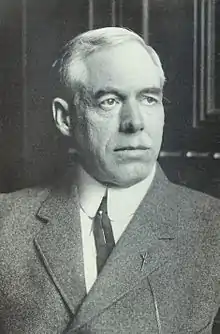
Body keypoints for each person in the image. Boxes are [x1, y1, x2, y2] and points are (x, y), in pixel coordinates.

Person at [0, 27, 219, 334]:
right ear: (66, 118)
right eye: (110, 101)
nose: (135, 122)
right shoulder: (6, 224)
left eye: (149, 98)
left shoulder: (213, 229)